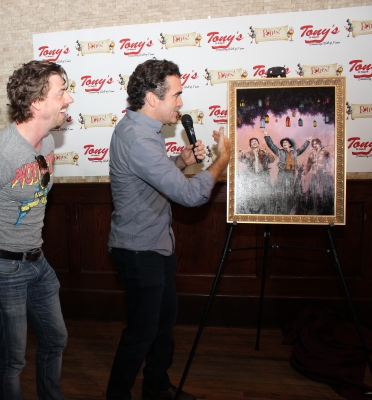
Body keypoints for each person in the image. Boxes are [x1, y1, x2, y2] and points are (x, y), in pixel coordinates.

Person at [106, 59, 231, 400]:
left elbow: (150, 181)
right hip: (138, 249)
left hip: (156, 245)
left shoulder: (145, 131)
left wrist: (180, 162)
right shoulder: (138, 138)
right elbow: (191, 195)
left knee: (162, 327)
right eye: (176, 95)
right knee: (142, 333)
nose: (180, 103)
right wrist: (223, 159)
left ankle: (156, 388)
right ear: (151, 98)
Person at [0, 60, 73, 400]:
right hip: (3, 266)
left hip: (36, 261)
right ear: (37, 103)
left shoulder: (46, 143)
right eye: (62, 93)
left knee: (56, 338)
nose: (69, 100)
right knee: (13, 359)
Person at [263, 130, 311, 214]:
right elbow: (271, 145)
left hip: (291, 172)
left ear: (289, 144)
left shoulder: (295, 152)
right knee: (281, 188)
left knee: (290, 189)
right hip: (282, 172)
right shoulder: (279, 151)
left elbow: (303, 149)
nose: (284, 143)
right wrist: (267, 136)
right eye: (283, 142)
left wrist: (308, 141)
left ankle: (289, 206)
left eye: (286, 142)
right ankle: (279, 206)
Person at [237, 137, 275, 214]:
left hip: (263, 176)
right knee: (254, 194)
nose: (254, 142)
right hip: (252, 176)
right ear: (250, 145)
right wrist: (241, 155)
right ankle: (254, 211)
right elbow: (241, 160)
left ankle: (264, 211)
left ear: (258, 143)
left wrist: (267, 152)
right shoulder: (248, 153)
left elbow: (272, 160)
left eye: (255, 141)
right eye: (252, 142)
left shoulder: (263, 152)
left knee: (263, 193)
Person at [303, 138, 334, 215]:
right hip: (314, 174)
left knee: (324, 191)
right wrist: (304, 172)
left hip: (323, 174)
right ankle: (312, 208)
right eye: (313, 144)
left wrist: (330, 171)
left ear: (319, 144)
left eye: (316, 143)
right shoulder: (311, 155)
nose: (314, 145)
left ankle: (326, 209)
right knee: (311, 190)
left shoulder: (325, 153)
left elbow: (331, 164)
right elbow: (308, 165)